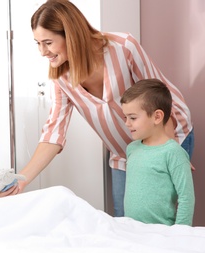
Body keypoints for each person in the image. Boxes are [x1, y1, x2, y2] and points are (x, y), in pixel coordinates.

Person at [18, 0, 194, 217]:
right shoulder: (61, 78)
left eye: (48, 42)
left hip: (167, 134)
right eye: (37, 43)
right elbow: (53, 133)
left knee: (159, 217)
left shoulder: (123, 47)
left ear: (70, 35)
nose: (42, 52)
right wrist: (22, 179)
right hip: (123, 152)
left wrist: (169, 151)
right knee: (124, 219)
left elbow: (160, 99)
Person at [120, 79, 195, 225]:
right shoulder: (132, 149)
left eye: (133, 118)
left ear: (157, 117)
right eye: (125, 117)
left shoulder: (173, 153)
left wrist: (180, 233)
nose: (127, 123)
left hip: (162, 233)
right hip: (133, 230)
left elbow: (186, 197)